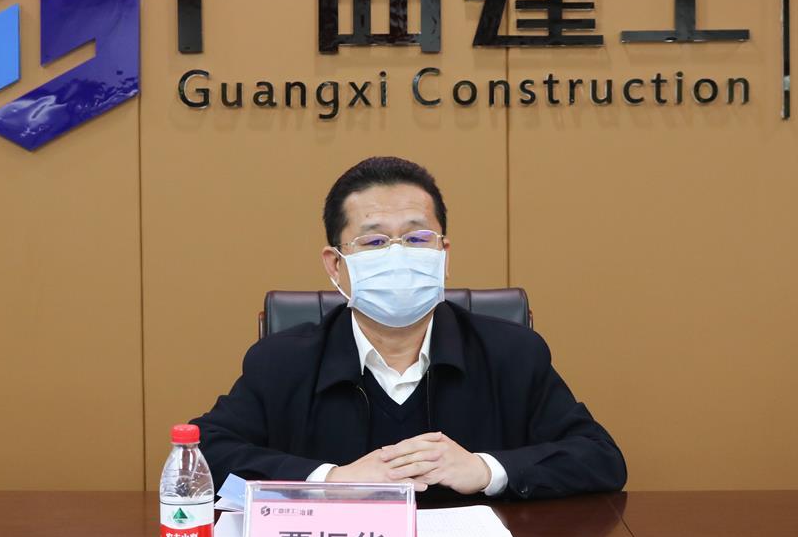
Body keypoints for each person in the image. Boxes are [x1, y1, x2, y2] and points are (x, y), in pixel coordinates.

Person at [192, 157, 626, 499]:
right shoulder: (283, 362)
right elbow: (204, 455)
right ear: (335, 266)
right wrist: (331, 479)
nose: (398, 254)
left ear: (444, 255)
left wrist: (485, 470)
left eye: (417, 239)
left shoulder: (511, 353)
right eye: (374, 241)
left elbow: (599, 457)